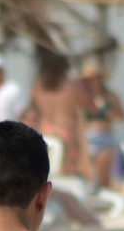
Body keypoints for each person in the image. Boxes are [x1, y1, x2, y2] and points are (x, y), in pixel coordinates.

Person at [24, 49, 85, 178]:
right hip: (67, 137)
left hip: (44, 134)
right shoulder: (73, 87)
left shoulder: (38, 86)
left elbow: (31, 113)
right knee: (65, 177)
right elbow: (88, 112)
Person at [78, 60, 124, 190]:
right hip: (89, 137)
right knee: (90, 176)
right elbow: (80, 119)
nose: (93, 81)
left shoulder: (109, 96)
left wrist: (110, 113)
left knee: (105, 177)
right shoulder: (82, 97)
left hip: (105, 136)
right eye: (89, 79)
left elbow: (122, 116)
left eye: (96, 78)